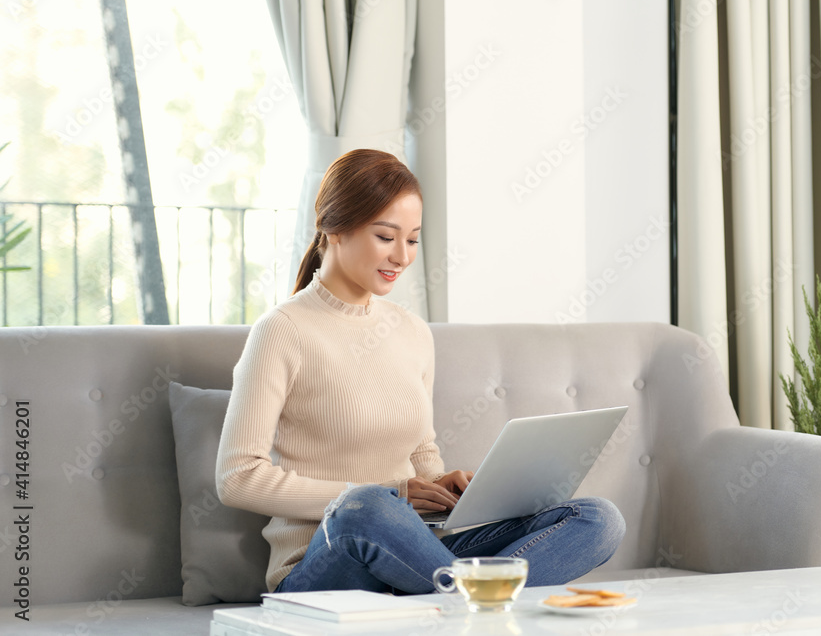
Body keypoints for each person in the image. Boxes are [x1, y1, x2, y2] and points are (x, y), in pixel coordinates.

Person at [216, 149, 625, 595]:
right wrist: (391, 493)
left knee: (598, 519)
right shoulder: (282, 331)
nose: (402, 256)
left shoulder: (411, 331)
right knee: (365, 505)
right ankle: (474, 599)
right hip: (325, 563)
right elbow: (237, 478)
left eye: (412, 239)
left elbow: (422, 452)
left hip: (420, 557)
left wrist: (440, 485)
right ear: (334, 229)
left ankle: (457, 599)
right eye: (386, 236)